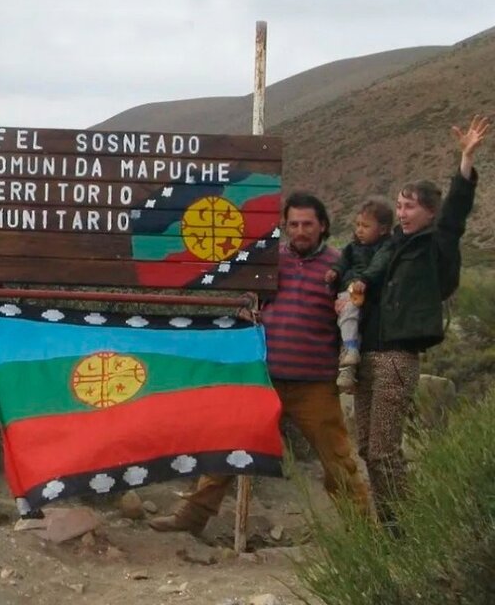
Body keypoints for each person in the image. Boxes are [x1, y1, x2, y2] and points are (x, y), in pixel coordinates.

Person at [149, 192, 370, 536]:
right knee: (227, 446)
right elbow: (247, 298)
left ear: (323, 226)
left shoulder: (338, 266)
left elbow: (353, 314)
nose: (300, 231)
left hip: (314, 384)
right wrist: (245, 307)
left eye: (307, 224)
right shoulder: (269, 262)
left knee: (338, 460)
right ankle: (191, 519)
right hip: (263, 378)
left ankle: (365, 534)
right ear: (284, 226)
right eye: (293, 224)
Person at [354, 114, 490, 529]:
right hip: (368, 354)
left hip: (398, 357)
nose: (402, 213)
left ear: (430, 212)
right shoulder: (391, 245)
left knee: (384, 451)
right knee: (367, 449)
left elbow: (456, 213)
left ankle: (410, 526)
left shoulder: (436, 243)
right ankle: (390, 523)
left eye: (410, 206)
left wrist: (465, 161)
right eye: (399, 206)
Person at [324, 197, 394, 391]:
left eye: (366, 226)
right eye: (358, 225)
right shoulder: (352, 248)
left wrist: (364, 280)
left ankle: (351, 350)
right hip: (349, 289)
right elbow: (342, 263)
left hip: (364, 291)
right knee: (347, 321)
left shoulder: (385, 247)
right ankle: (348, 365)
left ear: (383, 229)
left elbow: (379, 265)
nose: (360, 230)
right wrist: (334, 272)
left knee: (349, 314)